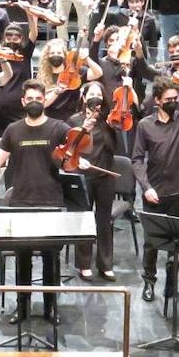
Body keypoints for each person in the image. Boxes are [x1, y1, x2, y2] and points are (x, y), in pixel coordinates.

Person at [0, 80, 78, 324]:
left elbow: (73, 152)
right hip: (19, 202)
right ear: (23, 101)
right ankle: (23, 306)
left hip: (50, 201)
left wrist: (77, 161)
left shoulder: (59, 128)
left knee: (52, 258)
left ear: (45, 101)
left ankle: (51, 306)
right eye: (30, 98)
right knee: (23, 258)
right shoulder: (13, 130)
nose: (34, 102)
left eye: (39, 99)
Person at [130, 77, 179, 302]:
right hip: (155, 192)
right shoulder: (145, 125)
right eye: (169, 99)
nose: (174, 102)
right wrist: (145, 187)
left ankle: (171, 284)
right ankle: (149, 281)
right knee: (151, 242)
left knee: (177, 241)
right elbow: (136, 159)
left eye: (176, 99)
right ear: (157, 101)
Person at [69, 83, 118, 280]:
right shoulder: (75, 120)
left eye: (99, 94)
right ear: (83, 97)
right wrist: (76, 158)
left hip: (105, 175)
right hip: (84, 177)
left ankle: (105, 264)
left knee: (104, 221)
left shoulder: (109, 121)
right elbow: (68, 148)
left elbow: (115, 147)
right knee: (85, 220)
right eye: (92, 94)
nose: (96, 97)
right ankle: (83, 264)